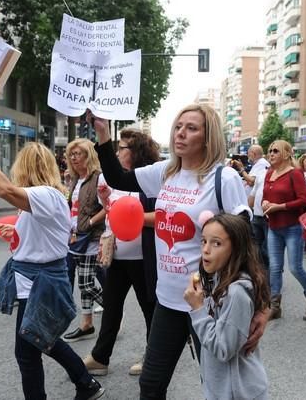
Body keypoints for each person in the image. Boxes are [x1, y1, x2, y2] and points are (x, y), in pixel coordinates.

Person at [89, 104, 266, 399]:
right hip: (169, 299)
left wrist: (261, 304)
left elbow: (248, 244)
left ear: (208, 138)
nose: (180, 133)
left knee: (219, 388)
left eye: (192, 128)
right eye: (178, 126)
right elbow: (120, 179)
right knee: (151, 384)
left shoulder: (223, 179)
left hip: (210, 303)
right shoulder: (165, 172)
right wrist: (104, 135)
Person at [0, 121, 104, 400]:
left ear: (25, 167)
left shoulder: (46, 195)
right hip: (36, 280)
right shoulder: (44, 198)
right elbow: (47, 234)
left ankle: (86, 384)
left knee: (28, 352)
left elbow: (5, 190)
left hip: (41, 282)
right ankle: (86, 384)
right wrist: (17, 230)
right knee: (42, 342)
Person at [82, 129, 160, 377]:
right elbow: (113, 215)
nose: (116, 153)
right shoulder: (114, 180)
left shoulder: (151, 179)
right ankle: (99, 357)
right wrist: (106, 203)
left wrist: (134, 218)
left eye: (122, 148)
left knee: (149, 309)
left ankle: (153, 357)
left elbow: (162, 217)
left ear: (136, 152)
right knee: (112, 308)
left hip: (142, 258)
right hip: (116, 256)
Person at [184, 213, 270, 400]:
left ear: (236, 249)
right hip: (223, 388)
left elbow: (224, 349)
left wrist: (197, 309)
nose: (206, 249)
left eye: (216, 243)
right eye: (204, 241)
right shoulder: (218, 277)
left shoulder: (236, 293)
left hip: (238, 393)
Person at [262, 140, 306, 321]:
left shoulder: (295, 174)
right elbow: (265, 197)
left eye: (275, 151)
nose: (271, 154)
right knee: (274, 268)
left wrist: (278, 207)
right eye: (269, 151)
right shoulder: (269, 173)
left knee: (295, 268)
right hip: (273, 227)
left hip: (292, 228)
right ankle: (275, 306)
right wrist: (264, 203)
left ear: (287, 154)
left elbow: (303, 200)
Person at [63, 139, 106, 342]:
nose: (73, 157)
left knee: (87, 284)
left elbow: (109, 206)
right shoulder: (74, 179)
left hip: (91, 238)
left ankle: (113, 310)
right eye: (71, 154)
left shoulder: (99, 178)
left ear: (88, 155)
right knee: (84, 285)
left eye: (78, 153)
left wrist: (90, 222)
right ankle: (86, 324)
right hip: (75, 237)